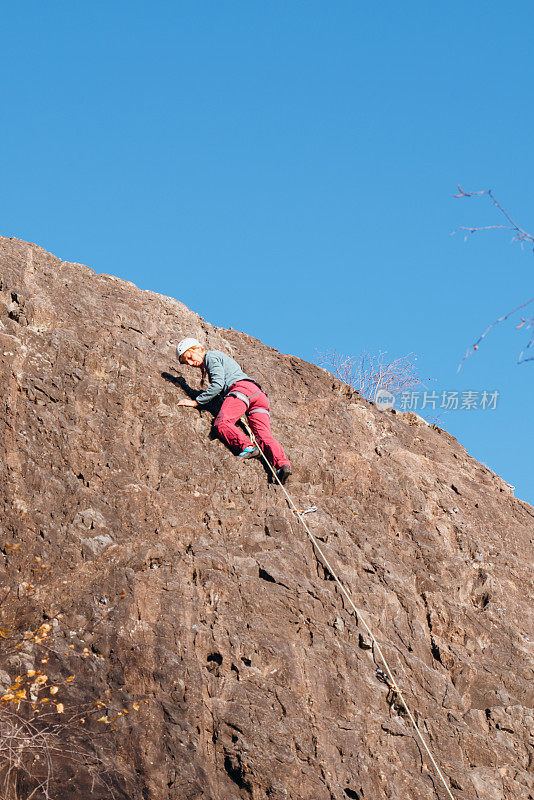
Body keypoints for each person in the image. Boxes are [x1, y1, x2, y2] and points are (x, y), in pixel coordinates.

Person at [176, 337, 292, 484]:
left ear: (197, 348)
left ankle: (247, 447)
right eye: (188, 363)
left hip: (241, 390)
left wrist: (196, 402)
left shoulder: (210, 357)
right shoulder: (217, 358)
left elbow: (218, 384)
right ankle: (282, 465)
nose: (192, 363)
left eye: (190, 357)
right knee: (263, 437)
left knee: (222, 423)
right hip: (259, 395)